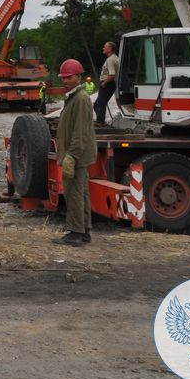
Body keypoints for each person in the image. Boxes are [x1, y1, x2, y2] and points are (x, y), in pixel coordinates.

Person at [57, 58, 97, 246]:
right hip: (79, 154)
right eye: (63, 77)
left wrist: (71, 155)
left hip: (77, 155)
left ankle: (75, 233)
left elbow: (80, 131)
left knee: (74, 193)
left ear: (78, 76)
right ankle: (84, 230)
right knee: (81, 193)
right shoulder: (74, 97)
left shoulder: (80, 99)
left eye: (69, 77)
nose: (65, 81)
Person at [94, 41, 119, 124]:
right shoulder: (116, 58)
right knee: (99, 104)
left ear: (110, 49)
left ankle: (100, 122)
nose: (103, 48)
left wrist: (104, 83)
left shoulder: (110, 60)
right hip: (111, 84)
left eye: (105, 47)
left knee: (100, 104)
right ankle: (100, 121)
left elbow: (112, 75)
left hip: (107, 83)